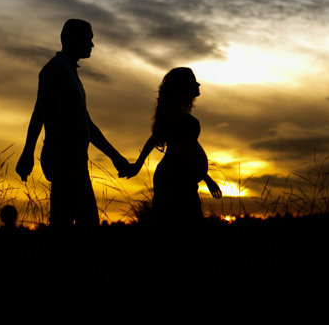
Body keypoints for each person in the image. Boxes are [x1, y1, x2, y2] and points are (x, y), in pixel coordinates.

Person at [16, 19, 130, 229]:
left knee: (62, 224)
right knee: (88, 223)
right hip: (64, 159)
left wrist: (116, 157)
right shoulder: (56, 69)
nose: (92, 45)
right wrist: (27, 153)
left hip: (73, 158)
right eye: (89, 39)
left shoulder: (69, 72)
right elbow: (40, 112)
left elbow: (87, 126)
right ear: (73, 39)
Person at [123, 67, 222, 225]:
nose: (198, 84)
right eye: (193, 81)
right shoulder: (173, 109)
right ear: (183, 85)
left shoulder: (179, 109)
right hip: (174, 178)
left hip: (183, 177)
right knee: (177, 230)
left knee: (186, 230)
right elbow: (156, 139)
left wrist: (206, 178)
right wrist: (138, 165)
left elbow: (185, 152)